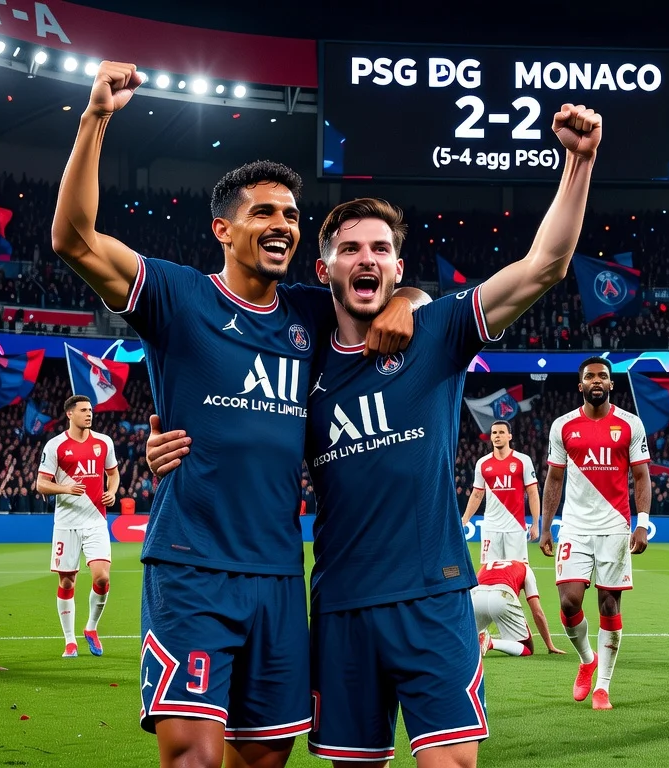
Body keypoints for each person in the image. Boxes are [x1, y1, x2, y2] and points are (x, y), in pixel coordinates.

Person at [149, 103, 604, 766]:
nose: (367, 259)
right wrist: (160, 442)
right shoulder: (300, 358)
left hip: (433, 594)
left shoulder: (441, 331)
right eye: (351, 250)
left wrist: (579, 162)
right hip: (340, 609)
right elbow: (238, 423)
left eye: (382, 251)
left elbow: (544, 266)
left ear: (398, 269)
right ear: (325, 269)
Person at [51, 60, 415, 768]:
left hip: (279, 573)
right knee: (192, 757)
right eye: (264, 213)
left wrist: (405, 300)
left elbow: (396, 295)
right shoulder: (180, 297)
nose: (282, 225)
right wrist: (95, 117)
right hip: (194, 565)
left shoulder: (313, 311)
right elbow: (74, 240)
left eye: (290, 215)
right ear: (223, 227)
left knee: (265, 759)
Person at [539, 356, 652, 711]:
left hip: (615, 528)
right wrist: (545, 525)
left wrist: (643, 523)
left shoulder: (630, 424)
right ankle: (587, 659)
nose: (597, 380)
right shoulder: (563, 426)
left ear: (611, 384)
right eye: (590, 376)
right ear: (581, 385)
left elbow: (641, 477)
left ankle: (602, 686)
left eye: (603, 375)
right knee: (569, 602)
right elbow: (554, 479)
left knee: (609, 604)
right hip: (574, 526)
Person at [36, 395, 119, 659]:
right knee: (67, 580)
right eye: (84, 410)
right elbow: (41, 484)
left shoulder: (104, 442)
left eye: (91, 410)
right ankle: (69, 640)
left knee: (102, 578)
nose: (89, 414)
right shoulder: (56, 445)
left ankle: (91, 628)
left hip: (96, 520)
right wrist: (66, 488)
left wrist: (113, 492)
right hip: (66, 524)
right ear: (70, 414)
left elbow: (113, 473)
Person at [462, 420, 540, 563]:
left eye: (501, 432)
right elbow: (477, 494)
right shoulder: (482, 463)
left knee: (518, 574)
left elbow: (533, 493)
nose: (497, 436)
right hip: (490, 528)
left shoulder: (523, 461)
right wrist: (465, 519)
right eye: (494, 433)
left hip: (515, 528)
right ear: (491, 437)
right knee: (490, 575)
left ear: (510, 436)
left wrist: (535, 524)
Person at [472, 558, 564, 657]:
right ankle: (491, 642)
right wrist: (550, 645)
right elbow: (537, 612)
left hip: (476, 597)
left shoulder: (487, 565)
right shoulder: (525, 567)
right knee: (526, 648)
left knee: (471, 639)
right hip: (502, 596)